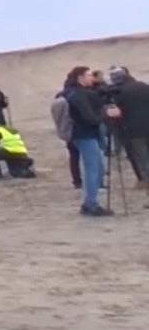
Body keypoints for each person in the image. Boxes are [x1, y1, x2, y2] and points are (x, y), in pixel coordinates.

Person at [63, 65, 124, 217]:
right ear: (80, 78)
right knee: (93, 170)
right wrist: (108, 114)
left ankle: (89, 202)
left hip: (87, 134)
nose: (92, 78)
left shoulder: (78, 93)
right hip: (85, 135)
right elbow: (90, 118)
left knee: (98, 169)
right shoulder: (77, 95)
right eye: (89, 75)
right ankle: (91, 205)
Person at [108, 66, 149, 188]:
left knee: (141, 158)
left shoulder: (117, 92)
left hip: (132, 130)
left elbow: (116, 113)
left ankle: (145, 182)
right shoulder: (143, 86)